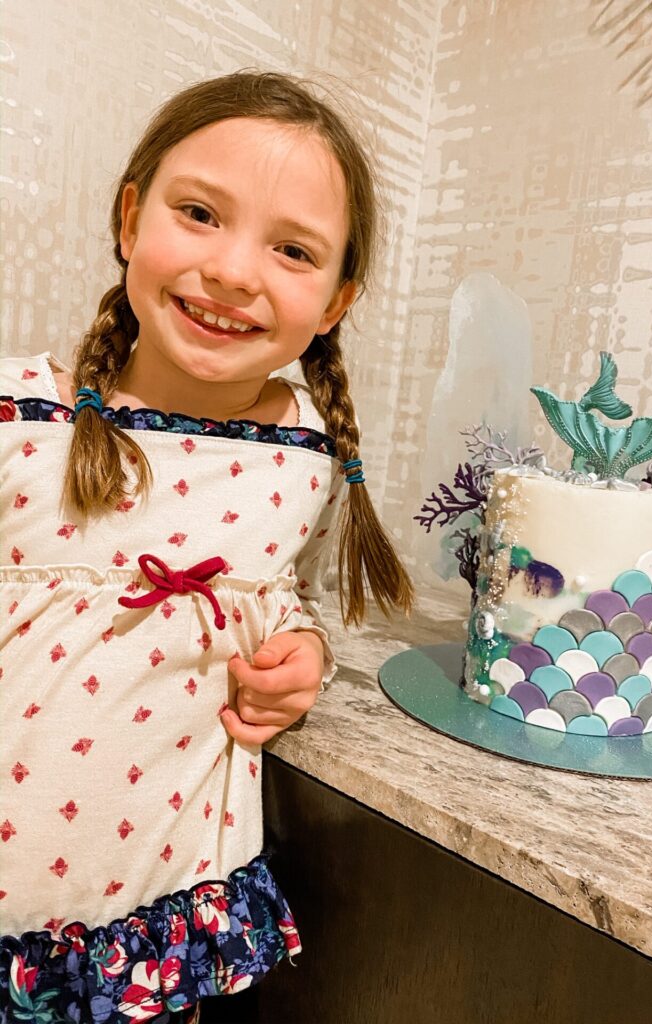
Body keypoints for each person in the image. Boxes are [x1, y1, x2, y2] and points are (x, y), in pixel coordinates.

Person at [0, 70, 413, 1024]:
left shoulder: (306, 462)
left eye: (293, 249)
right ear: (131, 218)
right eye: (199, 213)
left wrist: (301, 657)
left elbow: (276, 595)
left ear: (339, 297)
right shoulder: (24, 416)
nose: (233, 270)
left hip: (151, 927)